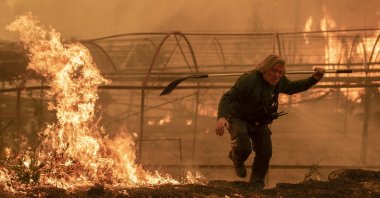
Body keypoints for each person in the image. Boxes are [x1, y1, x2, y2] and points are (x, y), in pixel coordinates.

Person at [215, 54, 325, 190]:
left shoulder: (280, 81)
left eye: (280, 72)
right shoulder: (248, 80)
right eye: (274, 71)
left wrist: (314, 79)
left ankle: (256, 184)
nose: (277, 76)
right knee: (243, 147)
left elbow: (294, 87)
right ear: (264, 69)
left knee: (265, 151)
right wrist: (222, 117)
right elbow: (227, 97)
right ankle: (237, 158)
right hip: (238, 117)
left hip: (259, 120)